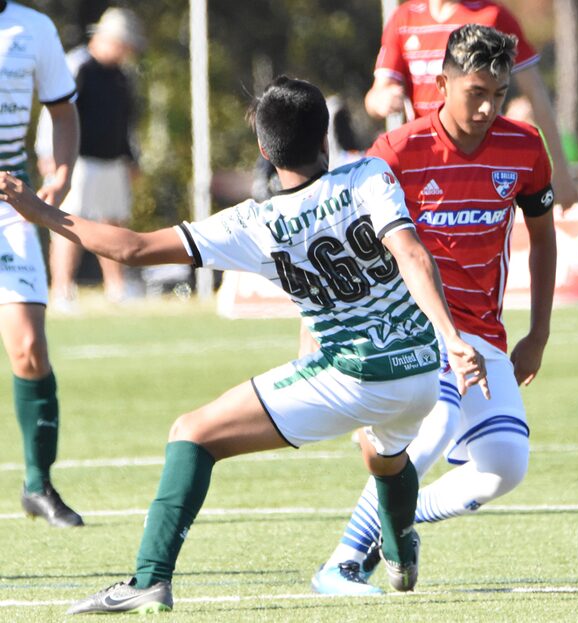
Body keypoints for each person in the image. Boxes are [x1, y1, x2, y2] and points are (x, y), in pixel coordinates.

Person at [0, 75, 488, 614]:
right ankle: (399, 555)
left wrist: (42, 213)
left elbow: (132, 249)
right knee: (383, 454)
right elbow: (413, 256)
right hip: (422, 371)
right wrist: (451, 338)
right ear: (324, 138)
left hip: (356, 375)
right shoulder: (369, 175)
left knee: (192, 433)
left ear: (263, 149)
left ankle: (147, 580)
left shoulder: (255, 222)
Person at [311, 24, 556, 595]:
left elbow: (543, 240)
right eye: (476, 92)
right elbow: (347, 244)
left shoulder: (523, 148)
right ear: (442, 82)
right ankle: (342, 562)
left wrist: (538, 333)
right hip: (413, 332)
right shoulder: (395, 153)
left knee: (503, 468)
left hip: (484, 337)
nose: (489, 106)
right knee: (435, 426)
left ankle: (396, 525)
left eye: (498, 93)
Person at [365, 0, 578, 211]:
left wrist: (560, 171)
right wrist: (382, 100)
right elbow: (375, 96)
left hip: (480, 161)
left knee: (480, 239)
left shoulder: (493, 16)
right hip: (425, 163)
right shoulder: (405, 18)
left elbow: (535, 91)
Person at [0, 0, 83, 527]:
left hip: (9, 200)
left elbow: (62, 109)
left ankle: (38, 483)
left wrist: (64, 171)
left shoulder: (33, 27)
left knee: (29, 346)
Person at [36, 7, 144, 309]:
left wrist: (131, 157)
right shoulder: (77, 65)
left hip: (112, 161)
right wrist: (50, 154)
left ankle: (117, 287)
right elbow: (55, 114)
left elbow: (126, 121)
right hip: (78, 162)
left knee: (114, 224)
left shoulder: (123, 76)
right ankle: (62, 290)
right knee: (70, 223)